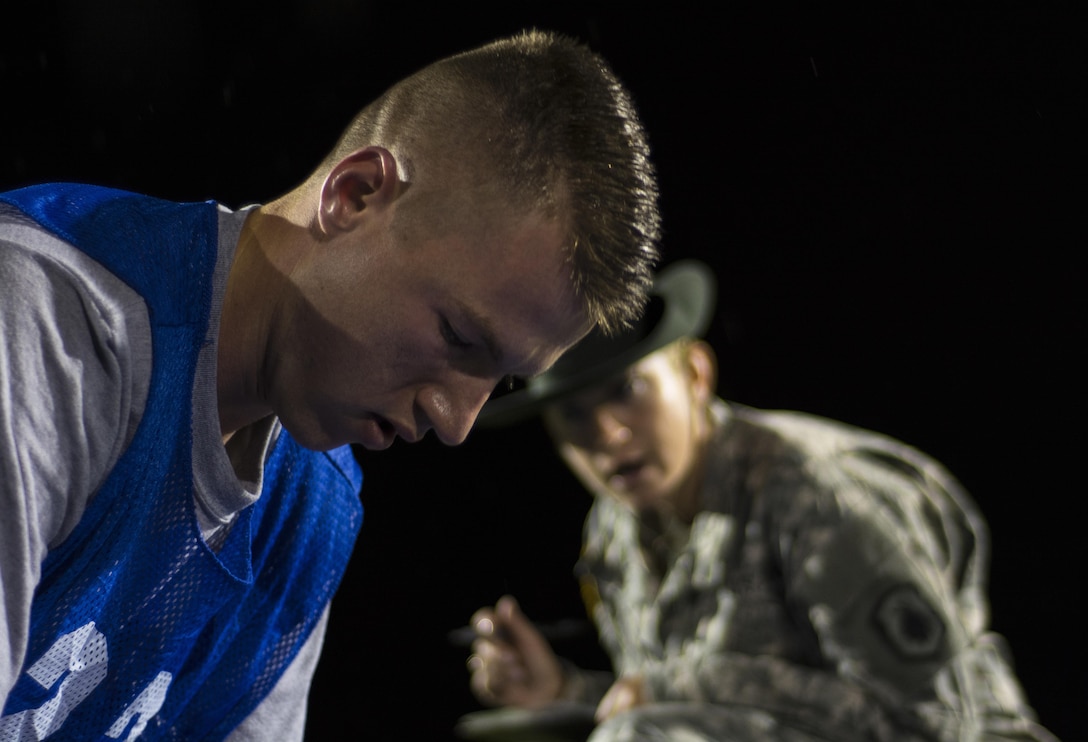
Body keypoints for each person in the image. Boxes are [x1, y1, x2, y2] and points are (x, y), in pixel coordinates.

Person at [0, 30, 661, 740]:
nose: (455, 421)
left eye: (499, 383)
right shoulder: (44, 323)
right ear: (354, 195)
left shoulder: (315, 507)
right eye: (460, 339)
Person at [463, 260, 1058, 742]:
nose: (608, 436)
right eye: (573, 414)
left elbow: (935, 724)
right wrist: (563, 692)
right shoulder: (617, 527)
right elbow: (704, 718)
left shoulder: (819, 495)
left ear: (696, 375)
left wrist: (674, 691)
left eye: (628, 390)